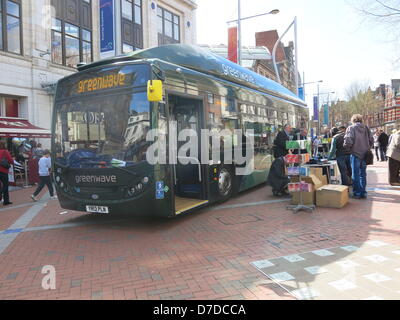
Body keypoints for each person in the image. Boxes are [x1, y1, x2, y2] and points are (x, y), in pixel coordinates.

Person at [344, 114, 374, 199]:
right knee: (363, 174)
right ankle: (363, 192)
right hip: (365, 155)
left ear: (353, 120)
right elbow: (372, 140)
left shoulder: (351, 128)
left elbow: (348, 141)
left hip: (355, 154)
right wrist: (368, 147)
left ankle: (357, 193)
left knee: (355, 174)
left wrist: (348, 149)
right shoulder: (366, 128)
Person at [0, 141, 13, 205]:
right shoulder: (5, 151)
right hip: (3, 170)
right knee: (5, 185)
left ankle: (6, 200)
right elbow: (11, 160)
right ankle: (6, 200)